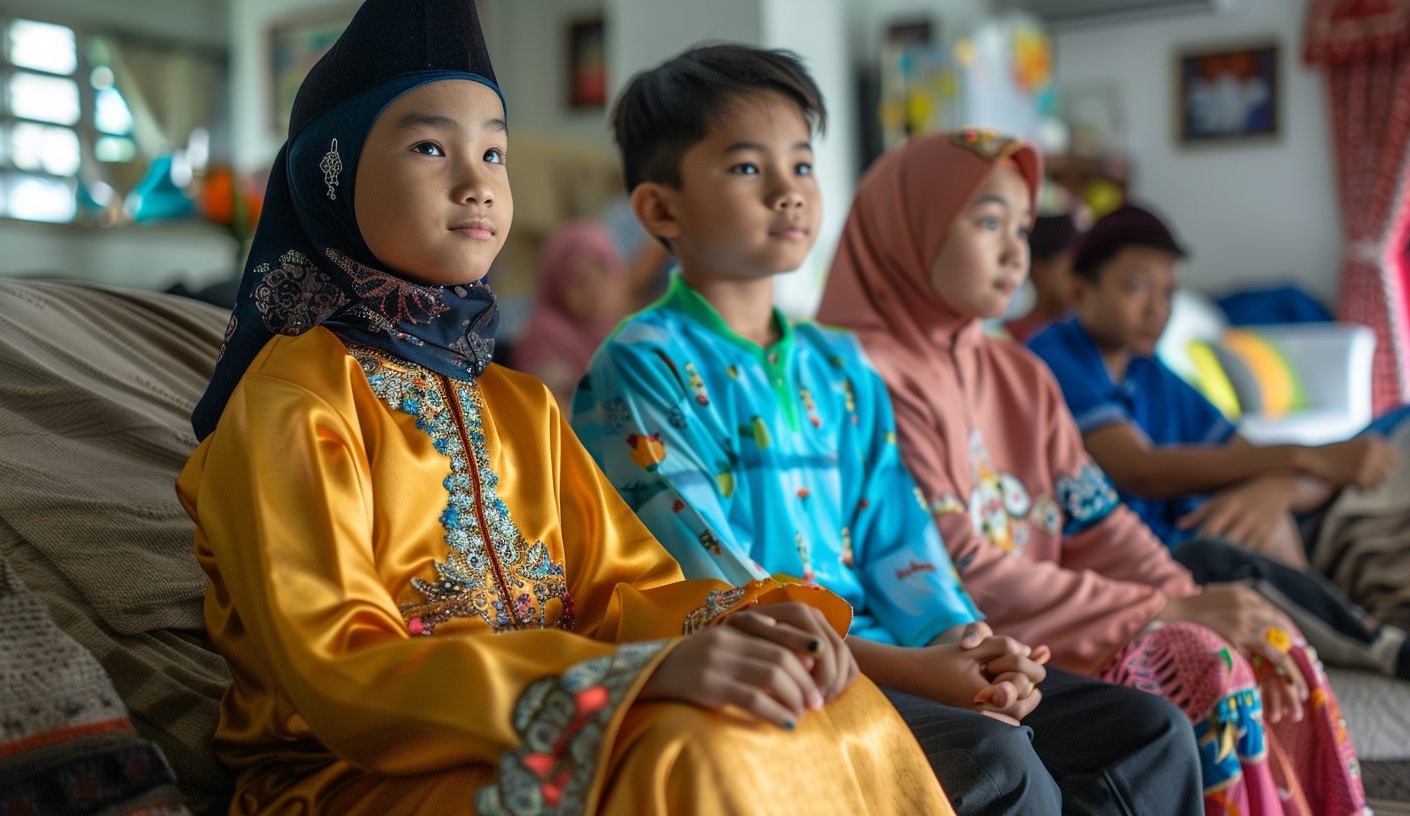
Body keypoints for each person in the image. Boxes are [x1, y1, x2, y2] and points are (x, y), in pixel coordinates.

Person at [176, 4, 958, 814]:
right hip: (350, 776)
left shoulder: (519, 404)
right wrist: (630, 677)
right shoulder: (292, 400)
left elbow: (626, 587)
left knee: (832, 701)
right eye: (429, 146)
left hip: (564, 714)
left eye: (493, 152)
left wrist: (752, 626)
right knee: (691, 746)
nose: (476, 181)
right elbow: (338, 666)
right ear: (327, 176)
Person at [573, 45, 1204, 816]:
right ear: (660, 209)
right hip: (788, 670)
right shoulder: (640, 367)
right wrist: (918, 672)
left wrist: (966, 646)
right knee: (993, 754)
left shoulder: (837, 363)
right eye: (747, 169)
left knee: (1147, 731)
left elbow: (901, 540)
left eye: (802, 166)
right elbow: (718, 594)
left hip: (895, 653)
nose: (788, 192)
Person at [816, 129, 1366, 816]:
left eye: (1021, 226)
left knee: (1250, 636)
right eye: (989, 222)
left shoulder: (1019, 372)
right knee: (1200, 666)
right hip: (979, 638)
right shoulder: (857, 376)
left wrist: (1182, 592)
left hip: (1063, 617)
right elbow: (960, 569)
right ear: (909, 228)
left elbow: (1097, 516)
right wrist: (1160, 608)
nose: (1017, 250)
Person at [1025, 204, 1409, 680]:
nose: (1157, 309)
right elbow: (1138, 469)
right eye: (1135, 286)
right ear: (1078, 289)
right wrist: (1304, 455)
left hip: (1205, 536)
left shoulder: (1152, 373)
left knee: (1398, 431)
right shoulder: (1053, 358)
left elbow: (1245, 453)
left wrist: (1275, 487)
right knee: (1241, 549)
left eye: (1169, 292)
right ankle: (1375, 644)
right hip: (1141, 564)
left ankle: (1340, 612)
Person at [511, 219, 629, 412]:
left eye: (604, 275)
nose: (595, 291)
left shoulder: (627, 328)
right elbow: (558, 415)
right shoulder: (543, 339)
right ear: (557, 284)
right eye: (582, 281)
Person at [1005, 212, 1080, 343]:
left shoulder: (1087, 337)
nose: (1079, 279)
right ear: (1037, 271)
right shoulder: (1006, 337)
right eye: (1069, 270)